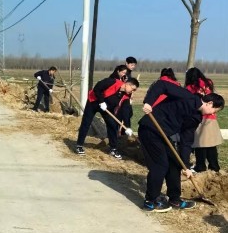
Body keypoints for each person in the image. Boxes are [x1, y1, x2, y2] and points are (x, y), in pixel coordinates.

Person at [139, 84, 224, 212]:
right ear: (210, 103)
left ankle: (175, 199)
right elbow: (161, 86)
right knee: (160, 165)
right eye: (215, 110)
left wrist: (185, 165)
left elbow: (186, 141)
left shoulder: (196, 117)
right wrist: (148, 103)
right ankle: (150, 201)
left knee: (175, 163)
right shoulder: (188, 97)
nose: (213, 114)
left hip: (165, 134)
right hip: (150, 128)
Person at [75, 77, 139, 159]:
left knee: (112, 125)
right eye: (133, 89)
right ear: (128, 84)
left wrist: (127, 127)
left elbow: (125, 110)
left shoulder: (127, 95)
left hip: (106, 108)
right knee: (86, 122)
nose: (132, 92)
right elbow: (97, 88)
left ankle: (113, 149)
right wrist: (101, 101)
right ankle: (79, 145)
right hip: (94, 102)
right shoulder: (112, 81)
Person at [185, 67, 222, 172]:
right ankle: (214, 167)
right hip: (212, 116)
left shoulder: (190, 87)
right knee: (211, 145)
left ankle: (200, 166)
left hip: (199, 117)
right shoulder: (208, 83)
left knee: (200, 145)